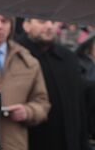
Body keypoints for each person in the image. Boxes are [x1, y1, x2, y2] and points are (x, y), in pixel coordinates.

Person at [0, 13, 50, 150]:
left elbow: (43, 103)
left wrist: (28, 111)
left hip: (14, 143)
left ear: (11, 26)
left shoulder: (27, 61)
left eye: (4, 21)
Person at [18, 18, 90, 150]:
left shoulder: (68, 57)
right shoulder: (16, 55)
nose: (49, 26)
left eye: (53, 21)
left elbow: (79, 107)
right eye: (42, 21)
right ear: (26, 25)